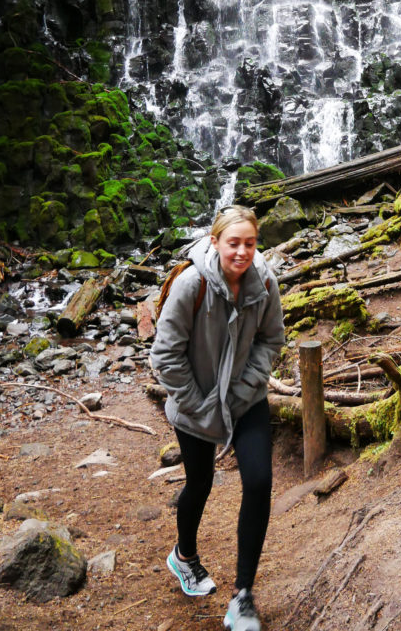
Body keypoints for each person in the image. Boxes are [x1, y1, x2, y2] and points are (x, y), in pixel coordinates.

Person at [150, 205, 285, 631]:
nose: (242, 251)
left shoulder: (264, 281)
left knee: (259, 482)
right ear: (215, 242)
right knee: (201, 482)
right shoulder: (192, 285)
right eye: (234, 243)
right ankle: (184, 556)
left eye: (250, 243)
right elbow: (165, 355)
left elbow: (271, 339)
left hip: (245, 399)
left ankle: (243, 595)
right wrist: (199, 403)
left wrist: (244, 390)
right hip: (195, 403)